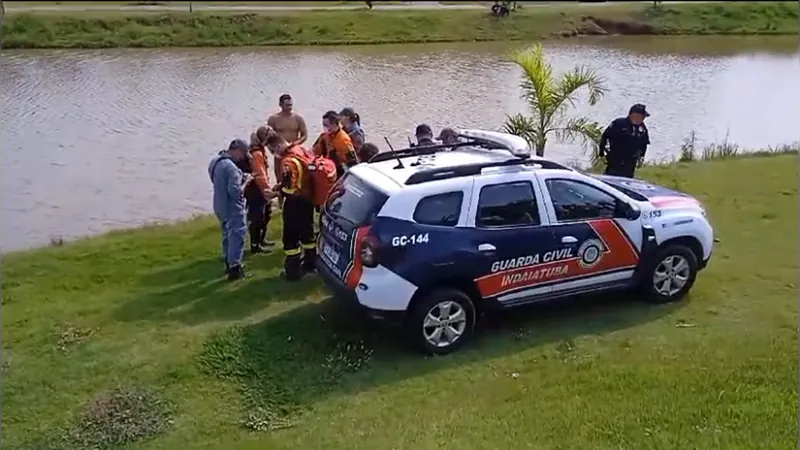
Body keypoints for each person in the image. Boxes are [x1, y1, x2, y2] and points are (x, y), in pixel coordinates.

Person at [209, 139, 273, 281]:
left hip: (219, 205)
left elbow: (218, 180)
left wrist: (240, 176)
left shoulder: (215, 161)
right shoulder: (231, 167)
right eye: (243, 154)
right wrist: (247, 181)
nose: (242, 158)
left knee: (226, 234)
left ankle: (228, 262)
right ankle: (235, 269)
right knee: (237, 236)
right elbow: (237, 192)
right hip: (233, 208)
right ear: (237, 150)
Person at [265, 134, 317, 281]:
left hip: (295, 203)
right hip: (308, 199)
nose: (273, 154)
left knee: (290, 238)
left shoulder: (287, 162)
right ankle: (311, 265)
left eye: (272, 151)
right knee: (308, 234)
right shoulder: (300, 149)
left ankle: (292, 272)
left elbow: (290, 188)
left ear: (277, 146)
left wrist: (275, 193)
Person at [239, 127, 276, 254]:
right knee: (257, 218)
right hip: (255, 190)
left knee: (266, 214)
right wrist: (267, 192)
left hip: (259, 188)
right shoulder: (257, 154)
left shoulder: (259, 150)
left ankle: (261, 240)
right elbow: (260, 175)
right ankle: (255, 245)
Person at [599, 103, 651, 178]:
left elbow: (644, 144)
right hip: (615, 161)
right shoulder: (619, 123)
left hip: (630, 163)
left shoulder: (642, 128)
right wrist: (602, 153)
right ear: (634, 115)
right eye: (642, 116)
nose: (643, 118)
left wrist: (641, 157)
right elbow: (605, 137)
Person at [267, 94, 308, 183]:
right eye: (286, 105)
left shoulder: (298, 118)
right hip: (279, 152)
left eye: (290, 105)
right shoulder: (273, 119)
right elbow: (268, 138)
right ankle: (280, 195)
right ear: (280, 105)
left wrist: (295, 144)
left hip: (293, 151)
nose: (289, 107)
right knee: (279, 176)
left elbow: (304, 135)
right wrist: (273, 151)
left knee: (295, 175)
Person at [312, 110, 359, 178]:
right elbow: (315, 151)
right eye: (323, 125)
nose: (324, 127)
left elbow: (352, 162)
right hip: (326, 168)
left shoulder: (344, 140)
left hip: (339, 172)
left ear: (334, 125)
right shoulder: (324, 136)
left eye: (326, 125)